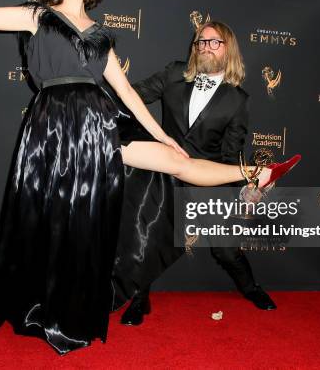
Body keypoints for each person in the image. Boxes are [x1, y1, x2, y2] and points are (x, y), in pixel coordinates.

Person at [0, 0, 298, 355]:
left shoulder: (101, 38)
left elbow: (127, 95)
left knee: (175, 160)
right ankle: (50, 303)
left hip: (99, 122)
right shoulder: (38, 16)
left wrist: (163, 134)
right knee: (58, 220)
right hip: (54, 125)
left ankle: (256, 173)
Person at [113, 21, 279, 328]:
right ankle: (139, 298)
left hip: (207, 177)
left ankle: (251, 288)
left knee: (227, 250)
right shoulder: (174, 73)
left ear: (228, 49)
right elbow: (131, 97)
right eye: (200, 42)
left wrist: (243, 190)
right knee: (146, 240)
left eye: (213, 42)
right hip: (164, 174)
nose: (205, 47)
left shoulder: (237, 100)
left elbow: (231, 154)